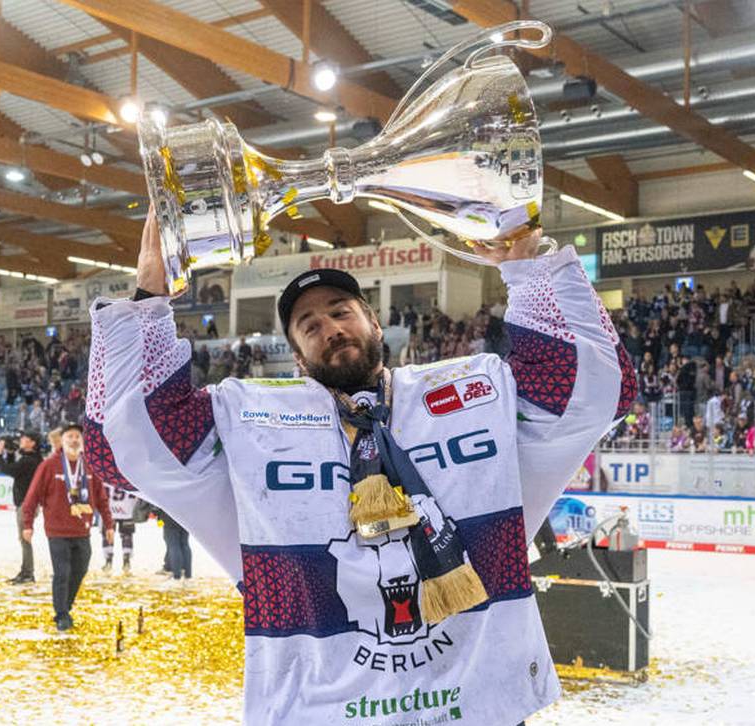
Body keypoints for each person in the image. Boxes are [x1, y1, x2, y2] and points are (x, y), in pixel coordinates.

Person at [83, 215, 632, 724]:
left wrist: (530, 270)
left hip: (481, 706)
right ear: (297, 356)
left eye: (341, 311)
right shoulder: (254, 420)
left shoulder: (474, 392)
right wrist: (147, 302)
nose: (329, 327)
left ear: (373, 321)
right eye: (309, 323)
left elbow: (596, 391)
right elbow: (123, 447)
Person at [20, 423, 112, 632]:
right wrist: (28, 524)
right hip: (57, 531)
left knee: (79, 571)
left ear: (82, 441)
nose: (74, 440)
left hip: (82, 530)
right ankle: (61, 613)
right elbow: (32, 496)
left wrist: (108, 524)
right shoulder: (49, 465)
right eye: (69, 436)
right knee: (62, 572)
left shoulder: (89, 466)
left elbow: (101, 497)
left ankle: (66, 607)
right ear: (62, 441)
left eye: (77, 436)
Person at [0, 431, 44, 585]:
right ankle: (25, 571)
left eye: (24, 439)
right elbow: (15, 471)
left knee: (25, 539)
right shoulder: (32, 459)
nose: (21, 441)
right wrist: (10, 453)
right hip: (28, 503)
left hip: (26, 504)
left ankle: (28, 573)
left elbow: (8, 470)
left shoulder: (29, 460)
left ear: (32, 443)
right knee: (24, 538)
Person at [103, 478, 138, 575]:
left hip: (111, 512)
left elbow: (102, 495)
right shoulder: (129, 478)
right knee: (127, 536)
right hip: (127, 512)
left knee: (108, 536)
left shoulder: (107, 477)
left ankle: (108, 560)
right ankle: (126, 560)